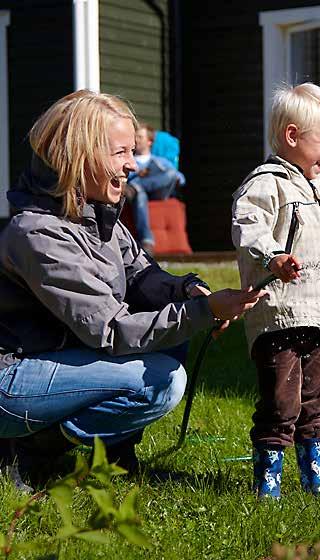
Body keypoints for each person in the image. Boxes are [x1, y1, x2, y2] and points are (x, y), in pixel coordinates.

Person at [0, 90, 265, 491]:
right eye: (120, 152)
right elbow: (111, 331)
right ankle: (33, 450)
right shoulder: (37, 234)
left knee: (170, 341)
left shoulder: (96, 214)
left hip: (58, 359)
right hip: (13, 380)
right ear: (79, 155)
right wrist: (205, 311)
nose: (132, 165)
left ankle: (118, 462)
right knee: (160, 380)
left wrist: (191, 292)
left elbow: (143, 278)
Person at [231, 82, 320, 499]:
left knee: (317, 402)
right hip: (281, 318)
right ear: (292, 137)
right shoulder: (266, 184)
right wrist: (274, 256)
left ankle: (315, 477)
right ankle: (269, 481)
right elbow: (248, 226)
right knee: (281, 403)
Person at [125, 122, 185, 254]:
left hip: (158, 192)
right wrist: (137, 172)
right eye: (135, 137)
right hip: (138, 194)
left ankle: (136, 186)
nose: (136, 140)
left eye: (140, 137)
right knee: (139, 192)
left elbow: (179, 178)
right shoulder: (130, 161)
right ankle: (147, 241)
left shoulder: (159, 160)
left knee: (170, 173)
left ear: (149, 141)